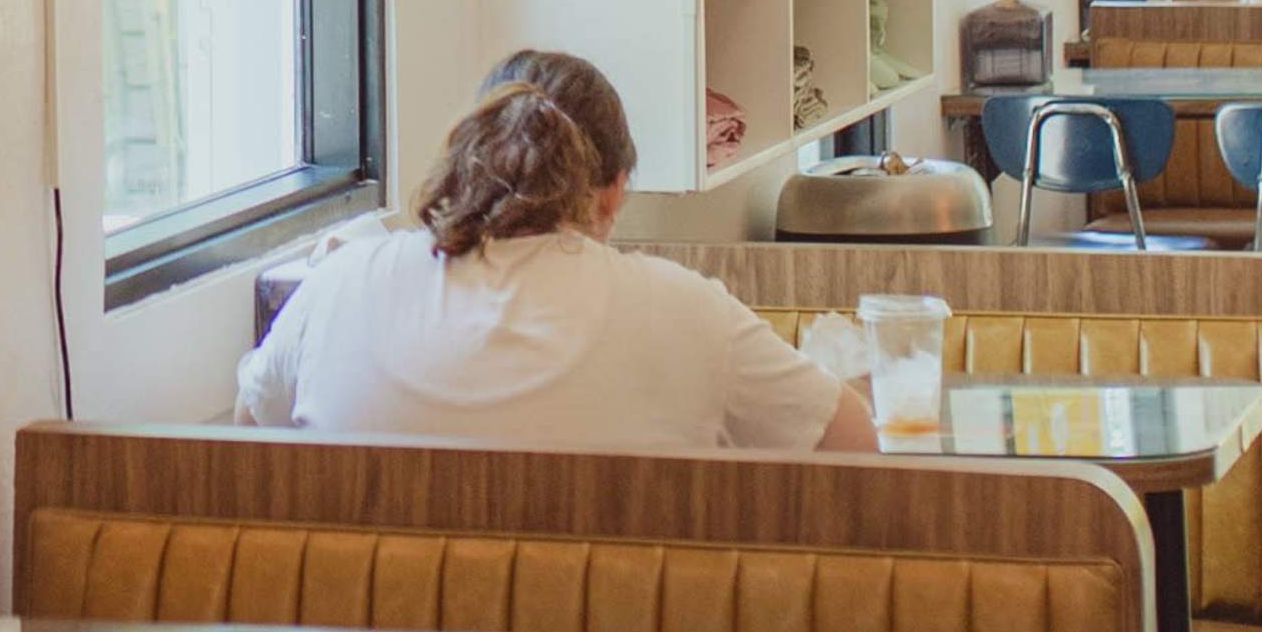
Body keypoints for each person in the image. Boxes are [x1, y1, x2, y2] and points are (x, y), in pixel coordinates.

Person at [236, 49, 875, 451]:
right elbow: (857, 448)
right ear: (613, 192)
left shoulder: (339, 284)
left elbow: (249, 441)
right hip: (622, 631)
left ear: (470, 158)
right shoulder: (685, 313)